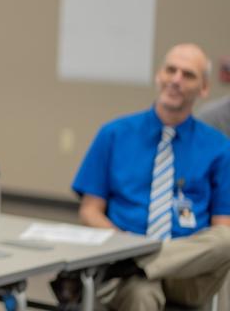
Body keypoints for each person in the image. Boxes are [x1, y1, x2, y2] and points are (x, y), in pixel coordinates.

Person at [70, 43, 230, 310]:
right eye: (171, 70)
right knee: (141, 292)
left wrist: (146, 256)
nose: (176, 80)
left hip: (187, 273)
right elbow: (89, 211)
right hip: (125, 265)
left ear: (203, 88)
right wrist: (122, 243)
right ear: (159, 76)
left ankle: (139, 263)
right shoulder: (114, 134)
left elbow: (222, 228)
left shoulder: (219, 148)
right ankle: (136, 264)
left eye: (188, 75)